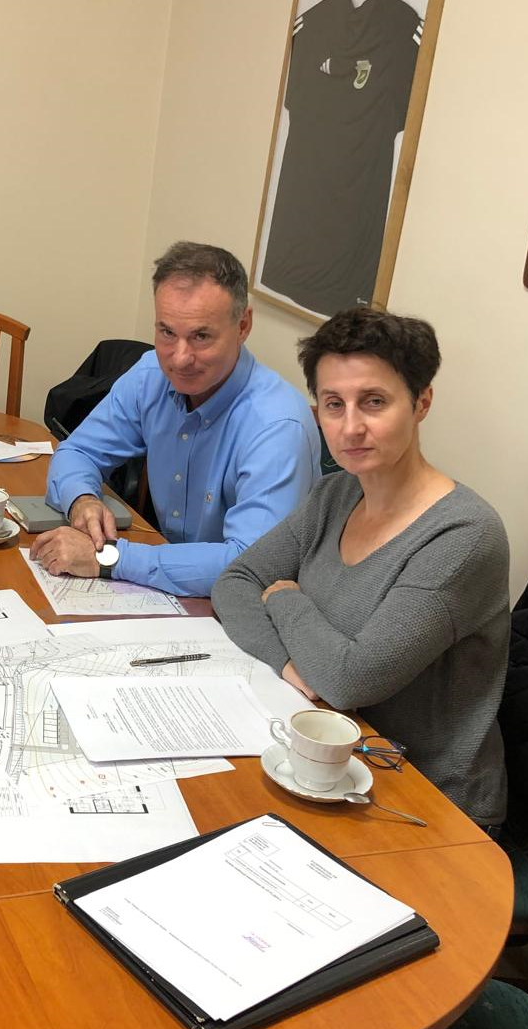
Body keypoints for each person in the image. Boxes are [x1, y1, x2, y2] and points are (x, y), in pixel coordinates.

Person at [212, 307, 509, 826]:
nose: (350, 427)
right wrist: (291, 666)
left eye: (374, 401)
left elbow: (350, 680)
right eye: (334, 404)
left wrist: (285, 597)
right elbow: (235, 583)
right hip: (321, 752)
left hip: (422, 798)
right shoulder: (336, 494)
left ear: (421, 403)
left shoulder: (464, 535)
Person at [31, 241, 321, 597]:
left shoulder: (276, 426)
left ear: (243, 325)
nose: (180, 359)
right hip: (168, 589)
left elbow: (250, 564)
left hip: (248, 605)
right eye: (167, 333)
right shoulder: (150, 376)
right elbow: (77, 452)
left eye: (201, 336)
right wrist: (82, 500)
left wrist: (111, 559)